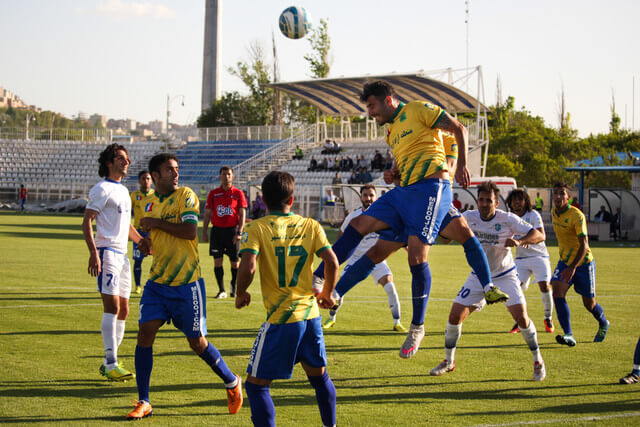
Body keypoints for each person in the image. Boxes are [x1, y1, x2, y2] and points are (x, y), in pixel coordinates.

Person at [311, 80, 496, 359]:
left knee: (418, 257)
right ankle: (323, 284)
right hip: (404, 193)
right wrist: (393, 172)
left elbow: (458, 130)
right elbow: (403, 161)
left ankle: (418, 326)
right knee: (360, 228)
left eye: (372, 106)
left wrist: (461, 168)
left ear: (388, 100)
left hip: (431, 191)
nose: (370, 113)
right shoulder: (391, 132)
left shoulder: (421, 112)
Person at [126, 153, 243, 420]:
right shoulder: (150, 204)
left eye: (177, 169)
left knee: (197, 342)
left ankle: (231, 381)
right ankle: (144, 401)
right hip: (157, 282)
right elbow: (152, 238)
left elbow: (190, 231)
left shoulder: (187, 195)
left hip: (187, 284)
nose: (175, 173)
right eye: (169, 170)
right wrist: (145, 243)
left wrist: (156, 224)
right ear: (155, 176)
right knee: (145, 333)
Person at [235, 171, 339, 427]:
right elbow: (332, 262)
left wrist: (240, 293)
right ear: (291, 199)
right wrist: (326, 293)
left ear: (263, 199)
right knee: (319, 378)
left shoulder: (256, 227)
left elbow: (248, 266)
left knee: (256, 385)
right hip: (311, 316)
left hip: (282, 318)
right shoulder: (311, 225)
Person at [430, 181, 546, 381]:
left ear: (496, 203)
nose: (484, 204)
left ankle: (538, 361)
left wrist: (519, 241)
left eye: (488, 201)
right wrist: (441, 225)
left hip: (506, 276)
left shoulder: (508, 219)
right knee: (454, 316)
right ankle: (449, 361)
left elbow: (539, 234)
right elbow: (445, 239)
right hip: (478, 276)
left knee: (522, 319)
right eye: (481, 200)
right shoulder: (467, 217)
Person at [82, 143, 148, 382]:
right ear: (109, 163)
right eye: (121, 158)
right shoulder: (102, 189)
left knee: (125, 309)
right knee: (112, 307)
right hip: (107, 252)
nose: (126, 162)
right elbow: (87, 221)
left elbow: (127, 226)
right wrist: (94, 253)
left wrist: (141, 241)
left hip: (122, 256)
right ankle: (111, 363)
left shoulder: (123, 190)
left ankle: (111, 361)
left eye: (127, 158)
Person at [321, 185, 405, 332]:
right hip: (356, 258)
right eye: (365, 195)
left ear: (376, 197)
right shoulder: (353, 216)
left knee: (390, 286)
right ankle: (331, 318)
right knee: (338, 292)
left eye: (371, 195)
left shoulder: (384, 215)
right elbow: (342, 236)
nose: (368, 198)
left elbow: (396, 236)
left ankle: (397, 322)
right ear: (361, 198)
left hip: (377, 257)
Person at [551, 182, 609, 347]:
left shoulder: (577, 216)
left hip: (583, 263)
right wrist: (566, 265)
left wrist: (573, 267)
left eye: (562, 193)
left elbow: (584, 245)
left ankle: (603, 322)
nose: (558, 196)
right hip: (565, 262)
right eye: (555, 193)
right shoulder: (554, 212)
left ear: (568, 197)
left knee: (589, 304)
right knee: (557, 292)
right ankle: (568, 334)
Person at [506, 188, 554, 334]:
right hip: (521, 259)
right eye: (514, 200)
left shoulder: (533, 215)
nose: (517, 203)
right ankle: (519, 322)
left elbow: (541, 235)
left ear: (526, 201)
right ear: (510, 203)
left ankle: (548, 318)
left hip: (539, 256)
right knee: (515, 289)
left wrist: (523, 241)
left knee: (544, 286)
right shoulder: (509, 217)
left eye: (520, 200)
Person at [202, 166, 248, 298]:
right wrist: (204, 231)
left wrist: (239, 231)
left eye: (229, 174)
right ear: (220, 176)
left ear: (232, 176)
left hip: (232, 231)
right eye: (224, 174)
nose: (226, 176)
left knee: (235, 262)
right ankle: (221, 290)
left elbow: (242, 213)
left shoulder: (238, 193)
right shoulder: (213, 193)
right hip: (217, 232)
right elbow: (208, 213)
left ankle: (234, 286)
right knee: (217, 261)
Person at [130, 170, 155, 295]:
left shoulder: (156, 195)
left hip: (152, 233)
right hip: (138, 232)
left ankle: (154, 284)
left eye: (148, 178)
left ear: (151, 181)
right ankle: (138, 285)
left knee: (157, 259)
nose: (146, 181)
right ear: (139, 181)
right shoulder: (134, 195)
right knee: (138, 260)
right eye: (143, 178)